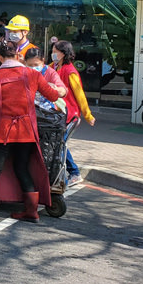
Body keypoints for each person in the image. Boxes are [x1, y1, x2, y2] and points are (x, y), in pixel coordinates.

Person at [0, 40, 60, 224]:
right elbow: (52, 96)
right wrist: (62, 90)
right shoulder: (31, 74)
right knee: (22, 168)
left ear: (0, 57)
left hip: (3, 132)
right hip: (26, 131)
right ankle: (31, 212)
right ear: (18, 55)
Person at [51, 40, 96, 186]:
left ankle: (74, 173)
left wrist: (88, 115)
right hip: (59, 114)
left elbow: (80, 95)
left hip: (70, 115)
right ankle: (71, 173)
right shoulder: (53, 67)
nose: (52, 53)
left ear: (63, 53)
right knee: (59, 143)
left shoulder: (70, 72)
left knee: (60, 143)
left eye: (55, 51)